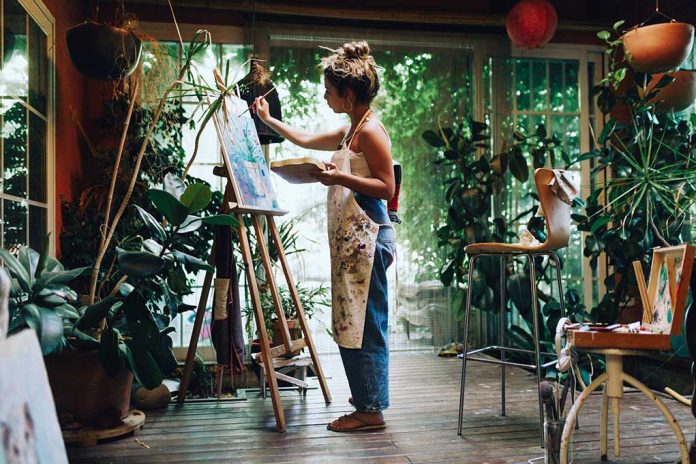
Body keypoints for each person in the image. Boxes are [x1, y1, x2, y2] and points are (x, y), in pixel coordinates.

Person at [254, 41, 396, 432]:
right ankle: (367, 397)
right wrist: (269, 120)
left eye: (329, 91)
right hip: (355, 244)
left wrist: (338, 177)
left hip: (369, 239)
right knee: (353, 322)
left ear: (347, 94)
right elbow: (304, 139)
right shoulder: (351, 130)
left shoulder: (370, 132)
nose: (325, 96)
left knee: (365, 325)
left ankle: (370, 411)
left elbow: (386, 186)